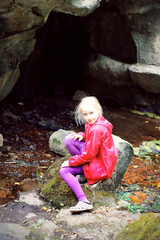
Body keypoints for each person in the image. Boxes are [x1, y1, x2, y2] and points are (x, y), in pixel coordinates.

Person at [59, 96, 118, 213]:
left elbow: (90, 155)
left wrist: (71, 162)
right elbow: (95, 140)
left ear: (98, 110)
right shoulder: (94, 123)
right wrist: (84, 135)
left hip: (100, 166)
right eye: (85, 114)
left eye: (91, 113)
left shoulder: (97, 129)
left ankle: (84, 201)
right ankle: (83, 172)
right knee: (69, 139)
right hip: (98, 158)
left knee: (64, 171)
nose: (89, 117)